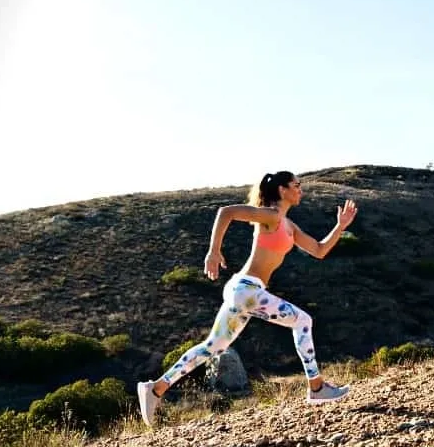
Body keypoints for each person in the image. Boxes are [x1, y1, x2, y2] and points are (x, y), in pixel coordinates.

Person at [137, 171, 358, 427]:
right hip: (247, 290)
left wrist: (340, 226)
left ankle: (155, 389)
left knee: (213, 347)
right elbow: (226, 212)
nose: (301, 190)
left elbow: (319, 250)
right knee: (303, 321)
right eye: (297, 185)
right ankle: (317, 387)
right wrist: (213, 251)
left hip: (244, 292)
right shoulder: (271, 215)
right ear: (282, 190)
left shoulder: (289, 226)